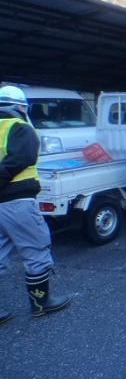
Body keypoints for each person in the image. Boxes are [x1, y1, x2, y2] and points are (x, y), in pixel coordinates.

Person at [0, 85, 73, 321]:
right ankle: (42, 303)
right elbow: (23, 159)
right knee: (36, 248)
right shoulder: (20, 127)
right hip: (17, 200)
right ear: (20, 106)